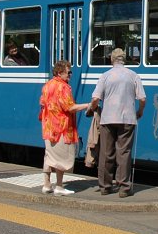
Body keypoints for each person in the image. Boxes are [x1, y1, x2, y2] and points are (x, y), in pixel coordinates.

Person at [88, 48, 146, 198]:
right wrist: (140, 111)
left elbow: (95, 99)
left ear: (111, 60)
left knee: (106, 153)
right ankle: (124, 188)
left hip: (108, 119)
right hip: (127, 119)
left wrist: (91, 109)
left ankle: (105, 187)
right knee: (124, 152)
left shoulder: (105, 76)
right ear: (124, 60)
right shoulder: (133, 75)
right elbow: (142, 99)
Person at [39, 60, 89, 195]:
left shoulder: (47, 85)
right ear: (60, 72)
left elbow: (42, 103)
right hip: (62, 128)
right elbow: (70, 107)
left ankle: (47, 185)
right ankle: (59, 187)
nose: (70, 75)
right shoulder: (63, 87)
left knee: (49, 156)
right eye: (69, 72)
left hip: (48, 127)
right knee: (60, 158)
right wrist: (88, 105)